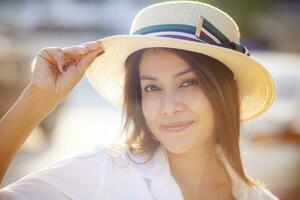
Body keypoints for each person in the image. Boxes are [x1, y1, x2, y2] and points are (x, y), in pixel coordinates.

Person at [0, 1, 279, 199]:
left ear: (224, 91)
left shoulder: (257, 197)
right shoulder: (102, 172)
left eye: (189, 82)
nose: (169, 108)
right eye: (151, 88)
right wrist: (38, 98)